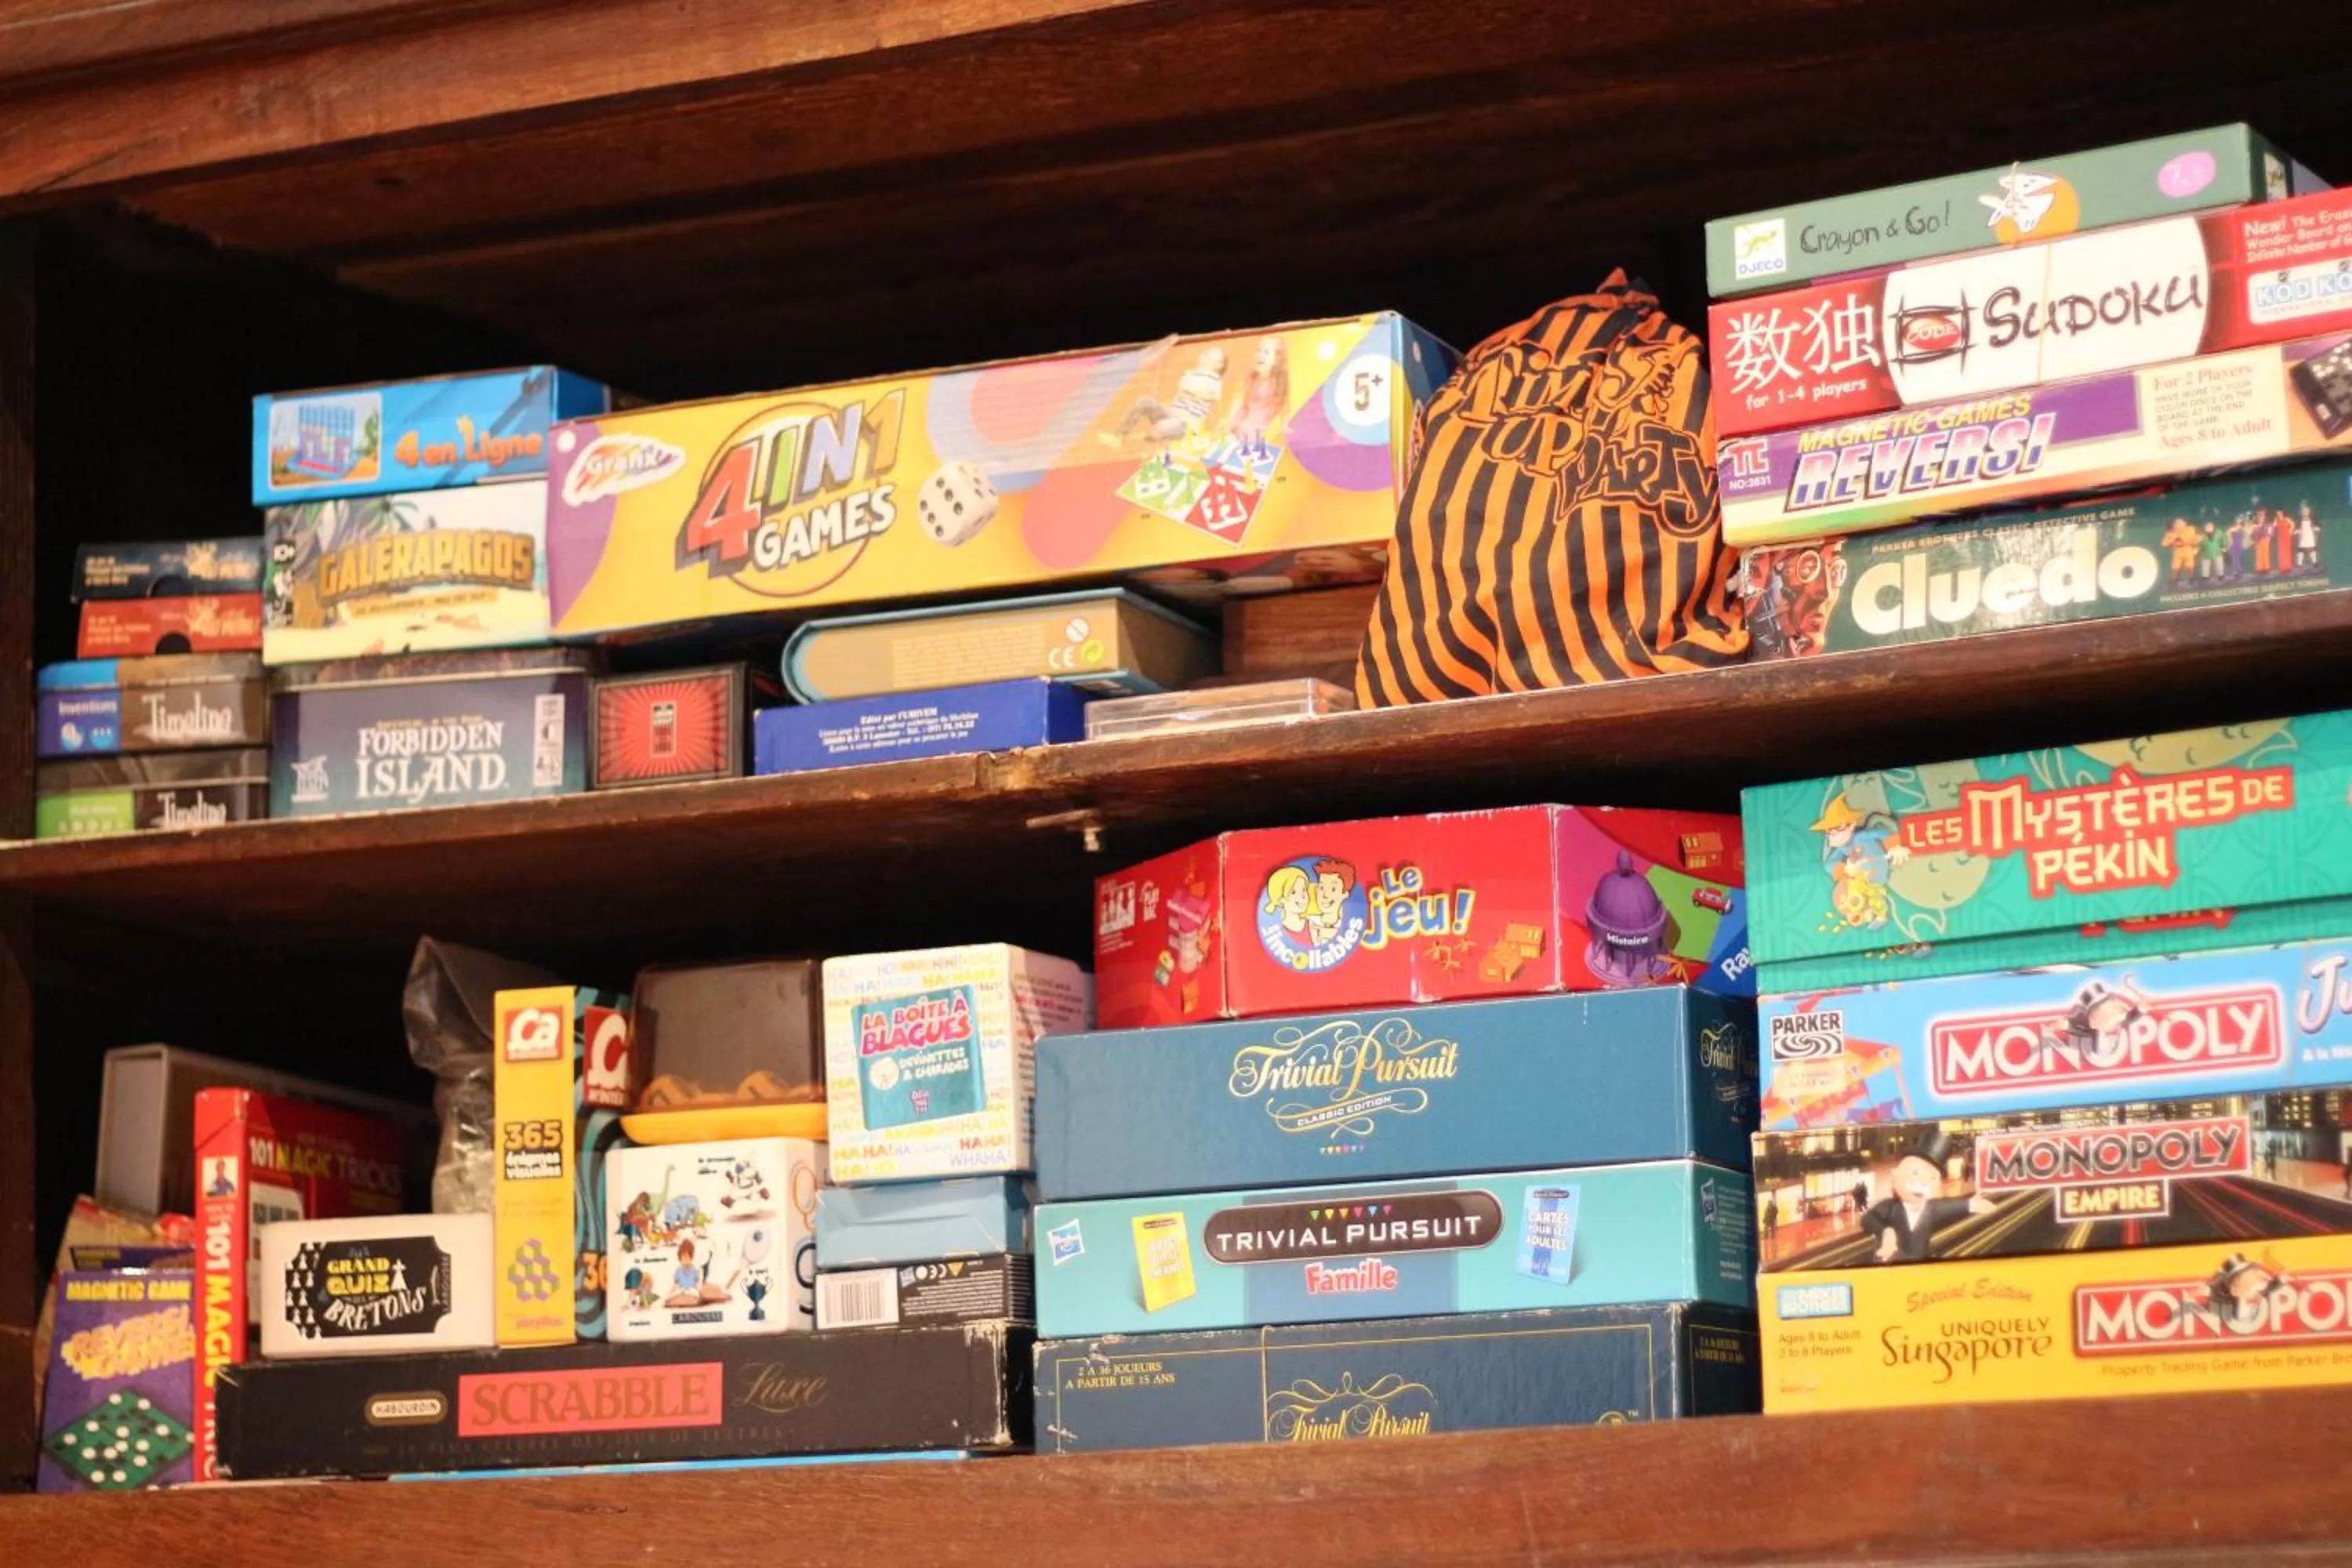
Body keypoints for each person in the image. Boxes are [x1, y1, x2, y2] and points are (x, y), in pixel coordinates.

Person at [1859, 1134, 1996, 1262]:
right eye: (1915, 1173)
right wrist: (1886, 1231)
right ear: (1895, 1174)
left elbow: (1951, 1206)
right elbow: (1868, 1220)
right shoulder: (1890, 1207)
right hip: (1892, 1268)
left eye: (1932, 1178)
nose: (1921, 1184)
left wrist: (1971, 1204)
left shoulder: (1933, 1209)